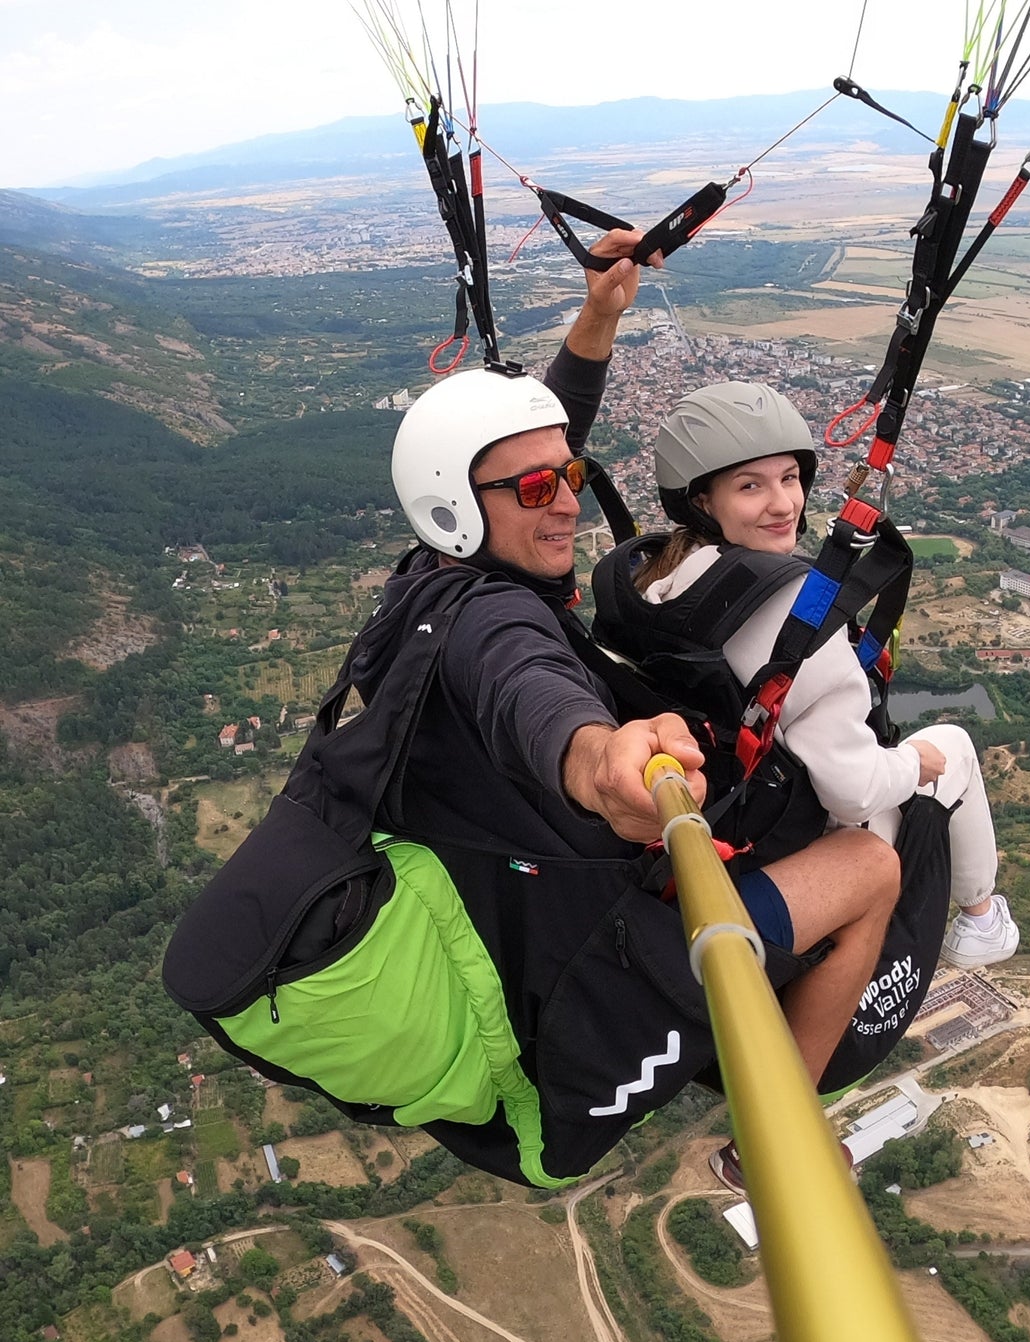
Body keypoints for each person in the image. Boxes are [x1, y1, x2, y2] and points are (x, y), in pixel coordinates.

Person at [167, 229, 904, 1190]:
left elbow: (536, 454)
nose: (567, 503)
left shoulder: (435, 574)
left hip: (511, 903)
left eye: (569, 478)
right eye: (535, 489)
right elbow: (529, 695)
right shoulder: (490, 621)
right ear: (460, 506)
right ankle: (773, 1144)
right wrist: (604, 761)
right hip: (581, 985)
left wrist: (597, 318)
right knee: (871, 866)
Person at [629, 381, 1019, 990]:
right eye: (751, 486)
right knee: (954, 747)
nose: (783, 503)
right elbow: (854, 792)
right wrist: (914, 763)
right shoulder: (794, 610)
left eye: (789, 478)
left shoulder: (658, 578)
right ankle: (982, 923)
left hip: (718, 813)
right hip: (791, 836)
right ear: (703, 500)